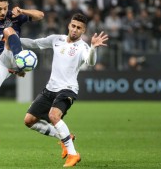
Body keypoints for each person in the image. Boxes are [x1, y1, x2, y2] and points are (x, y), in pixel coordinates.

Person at [20, 13, 108, 167]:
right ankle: (65, 137)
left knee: (54, 116)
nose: (75, 29)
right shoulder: (57, 39)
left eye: (79, 28)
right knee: (29, 121)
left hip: (68, 89)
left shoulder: (83, 47)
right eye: (73, 26)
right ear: (69, 26)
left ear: (83, 30)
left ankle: (73, 154)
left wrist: (93, 47)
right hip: (50, 88)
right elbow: (34, 43)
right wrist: (13, 39)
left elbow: (91, 62)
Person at [0, 0, 44, 156]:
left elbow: (40, 15)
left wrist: (23, 11)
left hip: (14, 54)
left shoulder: (14, 16)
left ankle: (19, 63)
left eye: (5, 8)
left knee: (8, 30)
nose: (2, 12)